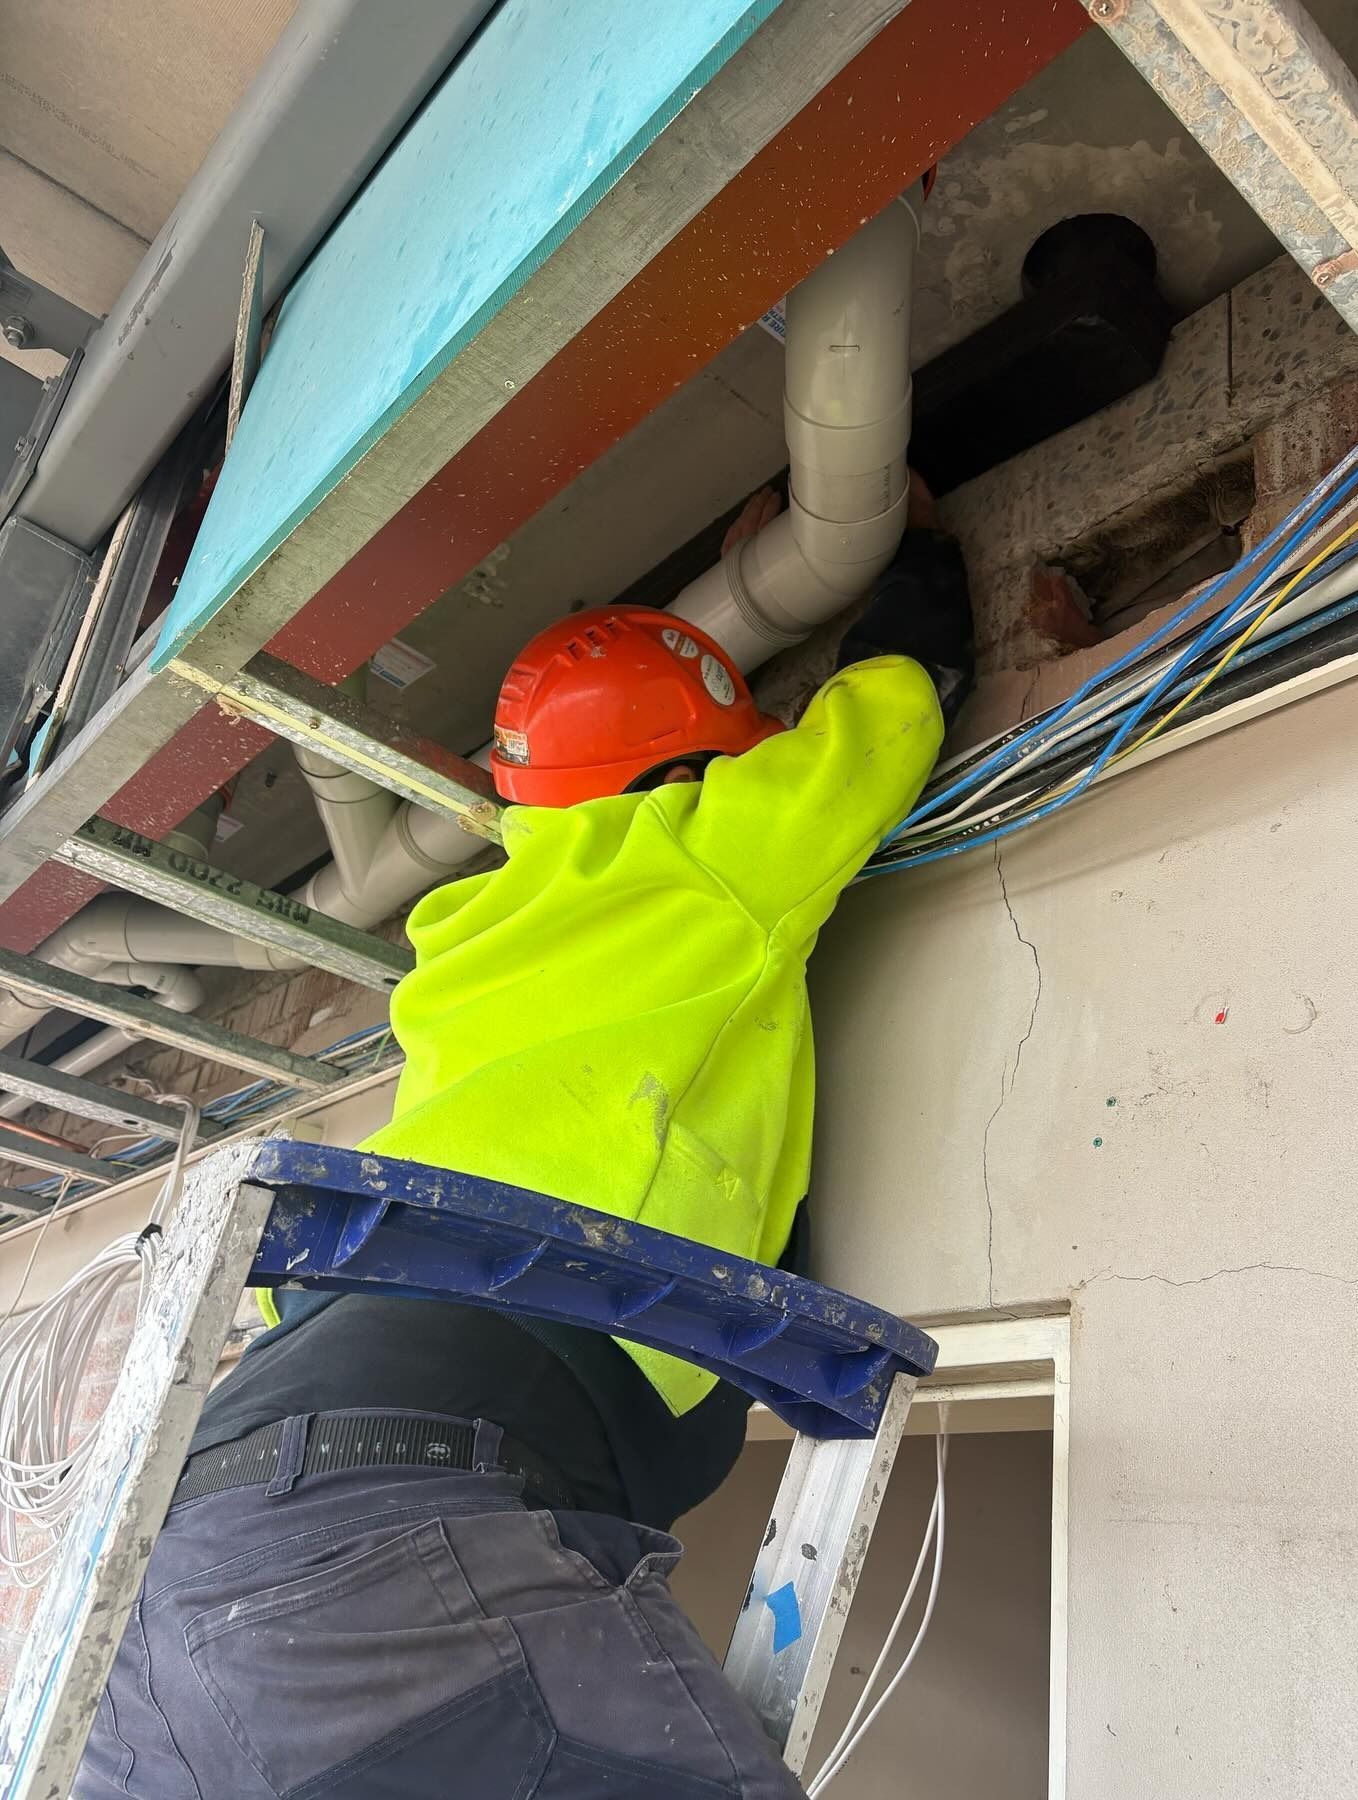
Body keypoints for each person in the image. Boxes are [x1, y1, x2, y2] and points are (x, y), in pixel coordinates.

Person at [77, 479, 973, 1798]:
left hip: (160, 1565)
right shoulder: (692, 848)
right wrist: (921, 567)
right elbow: (882, 725)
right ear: (694, 763)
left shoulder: (460, 940)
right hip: (378, 1527)